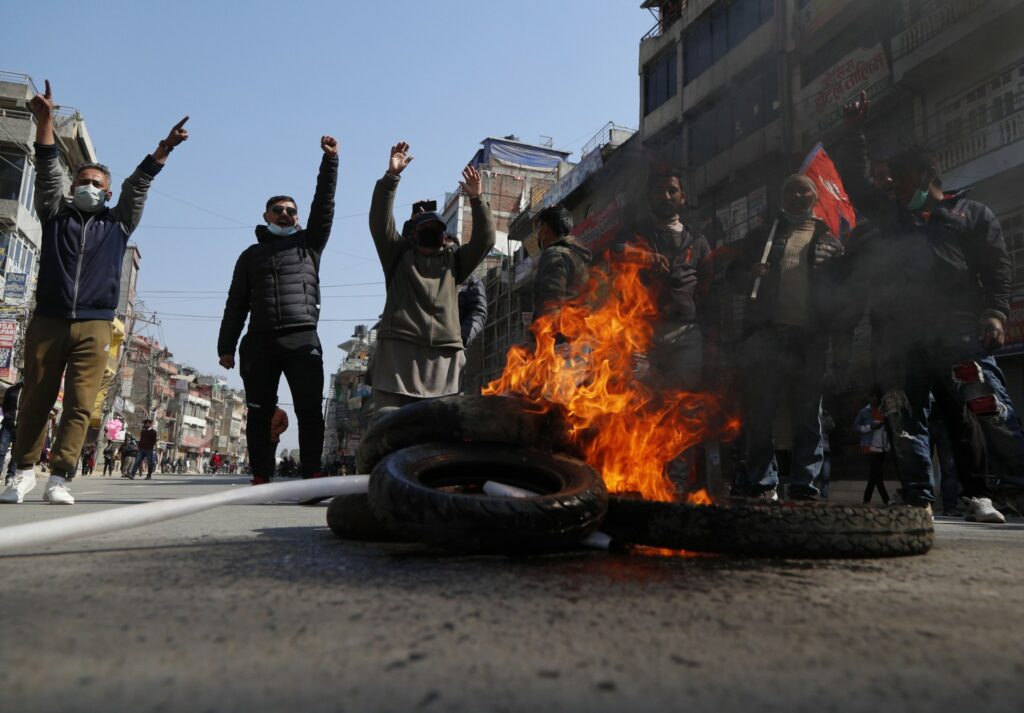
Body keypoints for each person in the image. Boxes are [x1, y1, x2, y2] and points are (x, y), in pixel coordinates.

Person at [0, 80, 188, 505]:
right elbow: (48, 166)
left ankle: (60, 477)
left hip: (96, 324)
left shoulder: (118, 223)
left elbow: (138, 185)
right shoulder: (54, 214)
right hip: (48, 317)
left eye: (96, 183)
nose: (88, 186)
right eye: (82, 180)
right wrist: (44, 121)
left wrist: (165, 148)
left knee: (81, 406)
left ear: (106, 192)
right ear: (73, 188)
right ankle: (24, 472)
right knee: (34, 399)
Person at [838, 90, 1023, 522]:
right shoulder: (892, 218)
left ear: (924, 178)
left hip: (959, 334)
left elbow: (998, 269)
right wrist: (854, 133)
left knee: (986, 410)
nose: (893, 191)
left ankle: (990, 494)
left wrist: (995, 313)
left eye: (899, 183)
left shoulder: (971, 214)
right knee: (904, 417)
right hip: (903, 341)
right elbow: (854, 182)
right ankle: (918, 497)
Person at [218, 135, 338, 486]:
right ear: (265, 215)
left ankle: (311, 473)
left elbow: (325, 204)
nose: (284, 214)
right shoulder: (250, 256)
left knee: (309, 411)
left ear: (297, 219)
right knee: (259, 412)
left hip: (302, 338)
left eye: (290, 211)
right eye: (278, 210)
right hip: (259, 341)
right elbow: (235, 303)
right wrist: (226, 346)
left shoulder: (309, 245)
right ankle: (260, 475)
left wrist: (330, 161)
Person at [731, 175, 844, 502]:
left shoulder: (829, 241)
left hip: (809, 341)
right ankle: (764, 484)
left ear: (813, 196)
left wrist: (838, 341)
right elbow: (734, 279)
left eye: (803, 189)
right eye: (789, 189)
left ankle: (804, 486)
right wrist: (748, 274)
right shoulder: (761, 237)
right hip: (767, 337)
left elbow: (840, 295)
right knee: (760, 414)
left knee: (808, 416)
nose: (796, 194)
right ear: (782, 197)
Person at [367, 141, 495, 419]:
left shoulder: (455, 262)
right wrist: (392, 177)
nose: (430, 234)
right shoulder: (397, 256)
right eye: (423, 229)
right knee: (389, 426)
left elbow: (486, 239)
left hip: (443, 359)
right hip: (398, 356)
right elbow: (379, 221)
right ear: (412, 233)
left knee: (440, 431)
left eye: (436, 229)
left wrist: (477, 198)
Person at [611, 166, 711, 495]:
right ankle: (639, 478)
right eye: (659, 190)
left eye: (672, 190)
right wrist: (646, 257)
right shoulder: (634, 233)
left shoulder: (697, 240)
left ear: (682, 197)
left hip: (686, 335)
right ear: (649, 196)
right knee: (641, 407)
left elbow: (710, 288)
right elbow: (615, 254)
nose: (665, 196)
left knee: (679, 411)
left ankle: (676, 485)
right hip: (643, 336)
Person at [530, 205, 591, 326]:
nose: (538, 234)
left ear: (545, 228)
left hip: (561, 337)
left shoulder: (554, 254)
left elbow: (551, 303)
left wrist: (542, 338)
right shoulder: (577, 256)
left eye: (539, 228)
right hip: (580, 332)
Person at [855, 389, 891, 505]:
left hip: (881, 447)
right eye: (872, 397)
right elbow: (856, 427)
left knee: (873, 475)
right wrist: (871, 427)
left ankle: (866, 500)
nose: (874, 399)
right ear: (869, 397)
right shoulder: (864, 412)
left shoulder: (883, 411)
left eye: (876, 397)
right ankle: (887, 500)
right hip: (868, 446)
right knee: (877, 474)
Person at [0, 381, 22, 486]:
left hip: (21, 427)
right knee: (1, 451)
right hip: (7, 425)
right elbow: (4, 406)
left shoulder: (30, 392)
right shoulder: (11, 390)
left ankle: (10, 475)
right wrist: (8, 416)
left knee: (16, 454)